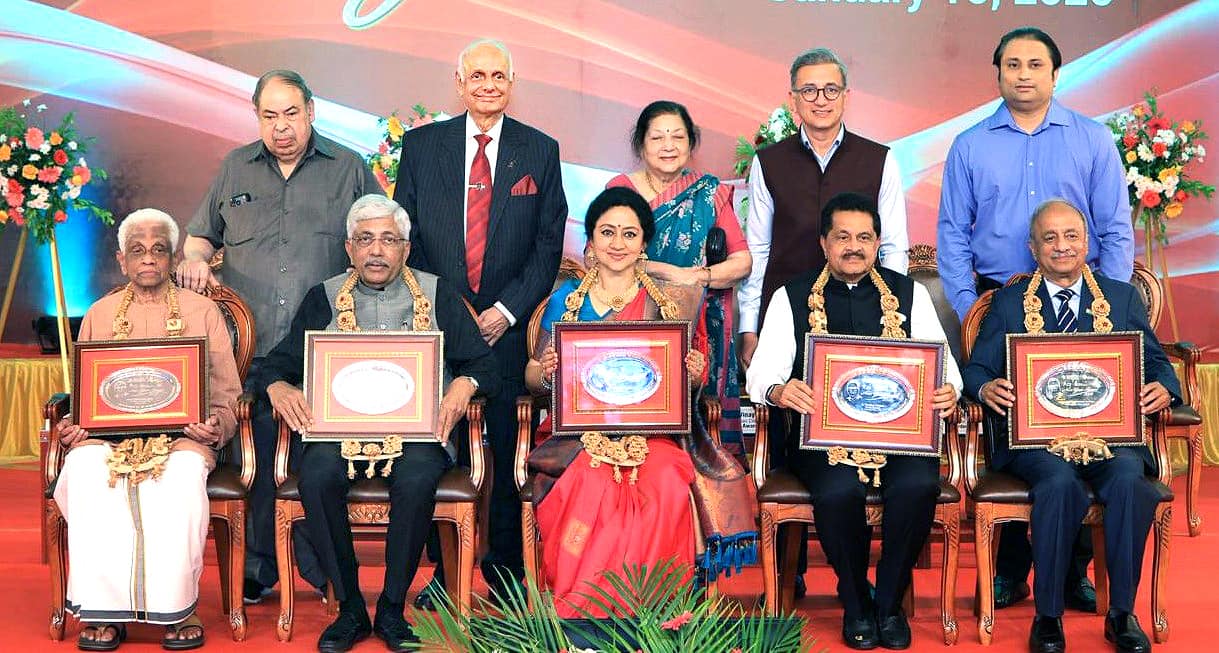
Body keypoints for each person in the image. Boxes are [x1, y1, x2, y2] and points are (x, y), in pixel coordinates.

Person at [937, 27, 1133, 613]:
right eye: (1013, 64)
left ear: (1055, 73)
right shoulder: (970, 145)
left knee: (1083, 425)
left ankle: (1073, 571)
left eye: (1035, 64)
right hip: (1001, 305)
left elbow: (1114, 228)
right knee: (1018, 431)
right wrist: (972, 307)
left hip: (1081, 303)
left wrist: (1106, 305)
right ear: (998, 73)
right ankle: (1012, 569)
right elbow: (953, 233)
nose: (1023, 74)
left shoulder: (1092, 139)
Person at [258, 194, 499, 652]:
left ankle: (391, 608)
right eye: (365, 239)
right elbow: (276, 364)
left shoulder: (437, 293)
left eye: (388, 240)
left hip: (416, 434)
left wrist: (463, 385)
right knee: (317, 475)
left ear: (405, 248)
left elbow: (485, 366)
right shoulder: (324, 296)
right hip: (339, 432)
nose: (376, 250)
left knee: (417, 478)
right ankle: (350, 608)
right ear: (349, 248)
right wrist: (278, 387)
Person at [177, 69, 382, 603]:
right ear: (257, 117)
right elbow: (200, 238)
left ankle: (316, 565)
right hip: (249, 353)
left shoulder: (348, 167)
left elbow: (385, 237)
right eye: (269, 116)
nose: (281, 127)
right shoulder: (234, 167)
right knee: (258, 450)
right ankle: (266, 567)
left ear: (311, 111)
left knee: (313, 458)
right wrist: (195, 259)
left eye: (291, 114)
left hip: (328, 356)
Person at [525, 186, 757, 618]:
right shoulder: (566, 300)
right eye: (607, 232)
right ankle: (582, 611)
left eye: (629, 234)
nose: (618, 243)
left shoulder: (671, 302)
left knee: (666, 480)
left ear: (644, 243)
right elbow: (533, 376)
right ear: (590, 240)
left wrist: (693, 373)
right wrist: (548, 370)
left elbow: (686, 384)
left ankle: (656, 611)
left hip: (652, 435)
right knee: (589, 484)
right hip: (577, 436)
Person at [392, 38, 568, 599]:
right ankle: (444, 573)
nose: (488, 85)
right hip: (440, 328)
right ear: (459, 82)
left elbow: (547, 246)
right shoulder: (422, 146)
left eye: (498, 76)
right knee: (437, 448)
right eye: (477, 75)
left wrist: (504, 311)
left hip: (508, 330)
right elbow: (406, 238)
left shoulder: (539, 150)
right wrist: (454, 312)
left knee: (506, 448)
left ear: (511, 83)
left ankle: (506, 571)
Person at [746, 192, 960, 650]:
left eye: (864, 237)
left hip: (900, 436)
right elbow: (761, 373)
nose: (853, 247)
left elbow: (947, 370)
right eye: (842, 237)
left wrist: (948, 390)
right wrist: (780, 390)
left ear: (878, 243)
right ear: (824, 243)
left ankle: (888, 603)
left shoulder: (909, 294)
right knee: (838, 491)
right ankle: (857, 600)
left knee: (918, 485)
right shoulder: (792, 296)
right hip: (822, 440)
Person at [963, 199, 1179, 653]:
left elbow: (1157, 362)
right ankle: (1048, 617)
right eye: (1050, 238)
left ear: (1087, 243)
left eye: (1071, 236)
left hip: (1111, 437)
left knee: (1129, 481)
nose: (1062, 246)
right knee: (1059, 483)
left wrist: (1164, 387)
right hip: (1036, 443)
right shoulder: (1008, 303)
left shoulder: (1120, 297)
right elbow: (976, 369)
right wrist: (985, 388)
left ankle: (1122, 613)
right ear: (1033, 247)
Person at [53, 208, 243, 651]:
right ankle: (102, 610)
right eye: (137, 251)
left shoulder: (202, 311)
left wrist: (216, 424)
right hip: (108, 439)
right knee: (83, 470)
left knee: (179, 479)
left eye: (159, 250)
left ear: (174, 258)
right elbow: (85, 396)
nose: (149, 259)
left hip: (185, 439)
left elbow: (228, 392)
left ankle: (179, 606)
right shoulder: (100, 314)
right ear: (122, 260)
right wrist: (73, 427)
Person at [738, 47, 910, 367]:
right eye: (809, 90)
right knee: (789, 395)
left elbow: (894, 247)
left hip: (863, 309)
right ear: (793, 100)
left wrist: (893, 312)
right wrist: (749, 326)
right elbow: (758, 249)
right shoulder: (769, 162)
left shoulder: (879, 159)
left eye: (831, 90)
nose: (821, 100)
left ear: (845, 97)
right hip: (787, 311)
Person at [606, 100, 753, 457]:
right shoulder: (620, 190)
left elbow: (742, 262)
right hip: (633, 319)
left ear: (691, 143)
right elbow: (598, 255)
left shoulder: (709, 192)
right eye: (657, 137)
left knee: (691, 430)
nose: (668, 146)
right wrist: (667, 273)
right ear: (641, 144)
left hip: (696, 325)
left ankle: (696, 475)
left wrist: (696, 277)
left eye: (677, 137)